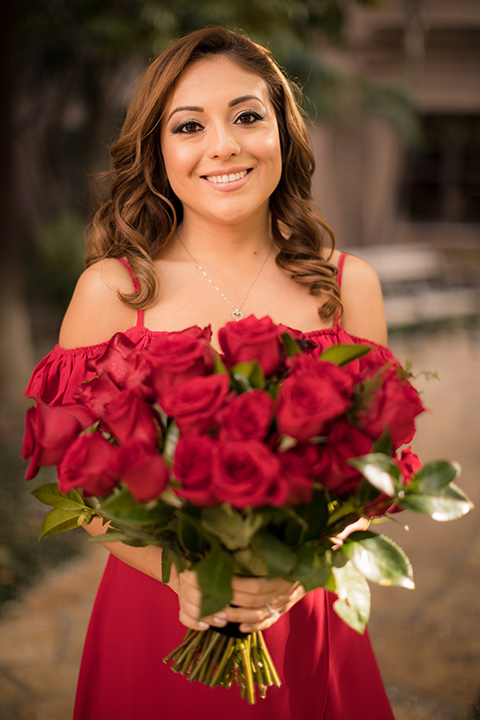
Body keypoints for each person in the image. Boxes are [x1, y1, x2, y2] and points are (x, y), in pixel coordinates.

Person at [25, 26, 395, 719]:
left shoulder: (349, 287)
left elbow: (373, 472)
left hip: (309, 620)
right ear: (158, 153)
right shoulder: (113, 292)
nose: (223, 145)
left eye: (248, 116)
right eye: (189, 126)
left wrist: (300, 570)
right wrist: (185, 574)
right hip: (157, 616)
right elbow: (81, 482)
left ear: (283, 133)